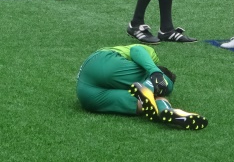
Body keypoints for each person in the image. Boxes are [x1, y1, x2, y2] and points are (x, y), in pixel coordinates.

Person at [76, 44, 208, 130]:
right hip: (102, 62)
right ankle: (152, 85)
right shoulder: (152, 57)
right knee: (161, 84)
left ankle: (165, 110)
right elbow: (137, 49)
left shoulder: (135, 87)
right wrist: (155, 72)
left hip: (87, 95)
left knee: (145, 102)